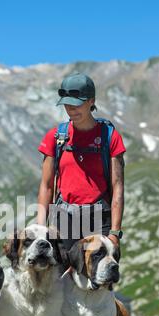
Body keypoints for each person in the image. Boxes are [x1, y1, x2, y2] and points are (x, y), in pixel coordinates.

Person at [37, 72, 126, 251]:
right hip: (63, 218)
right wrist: (40, 228)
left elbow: (117, 187)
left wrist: (115, 232)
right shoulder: (55, 137)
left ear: (91, 101)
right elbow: (46, 186)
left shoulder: (110, 137)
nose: (71, 109)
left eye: (76, 104)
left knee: (99, 276)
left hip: (99, 218)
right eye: (67, 104)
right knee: (61, 277)